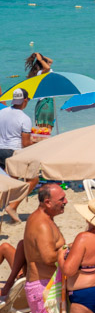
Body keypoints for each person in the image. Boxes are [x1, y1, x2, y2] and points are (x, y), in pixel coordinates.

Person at [1, 184, 67, 313]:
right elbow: (48, 258)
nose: (66, 201)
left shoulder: (43, 219)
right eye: (61, 199)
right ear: (47, 203)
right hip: (42, 288)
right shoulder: (42, 224)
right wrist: (69, 250)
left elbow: (23, 245)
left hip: (42, 286)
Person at [0, 88, 37, 221]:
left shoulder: (2, 112)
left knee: (11, 180)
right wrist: (39, 144)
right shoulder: (24, 118)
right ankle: (13, 206)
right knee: (33, 180)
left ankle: (4, 204)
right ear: (25, 100)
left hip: (0, 150)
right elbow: (25, 144)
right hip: (12, 152)